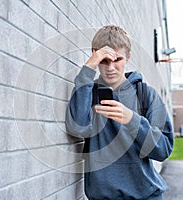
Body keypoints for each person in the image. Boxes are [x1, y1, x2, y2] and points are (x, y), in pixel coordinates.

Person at [65, 25, 174, 200]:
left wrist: (132, 120)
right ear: (95, 56)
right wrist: (88, 70)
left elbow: (163, 150)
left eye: (117, 59)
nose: (111, 68)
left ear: (128, 57)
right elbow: (77, 128)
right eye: (104, 60)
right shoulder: (88, 93)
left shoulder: (146, 95)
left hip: (146, 197)